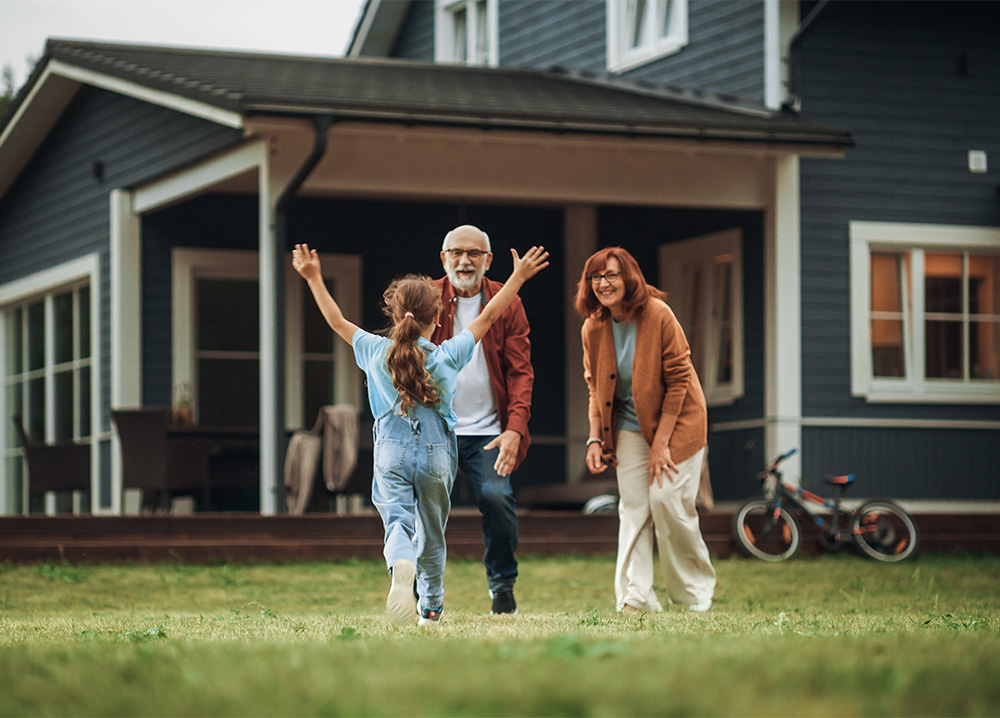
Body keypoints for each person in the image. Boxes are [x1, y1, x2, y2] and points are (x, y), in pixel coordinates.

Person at [292, 242, 548, 626]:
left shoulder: (374, 350)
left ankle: (400, 563)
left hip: (391, 452)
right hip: (436, 455)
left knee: (397, 521)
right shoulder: (447, 355)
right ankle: (430, 608)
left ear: (394, 314)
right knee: (432, 532)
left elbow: (336, 320)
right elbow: (491, 314)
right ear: (439, 315)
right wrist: (519, 277)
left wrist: (313, 277)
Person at [575, 247, 716, 614]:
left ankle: (693, 592)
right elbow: (595, 387)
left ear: (629, 277)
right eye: (596, 277)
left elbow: (680, 379)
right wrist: (594, 437)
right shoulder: (593, 327)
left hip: (681, 421)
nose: (603, 284)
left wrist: (662, 445)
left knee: (668, 501)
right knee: (634, 507)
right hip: (629, 426)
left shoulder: (657, 314)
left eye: (611, 275)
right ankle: (637, 595)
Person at [431, 225, 533, 615]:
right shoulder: (428, 297)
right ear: (444, 258)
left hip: (489, 431)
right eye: (455, 252)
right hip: (437, 429)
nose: (464, 260)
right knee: (425, 507)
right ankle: (423, 591)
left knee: (497, 497)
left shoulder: (507, 303)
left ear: (488, 260)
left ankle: (502, 585)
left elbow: (521, 372)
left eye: (474, 253)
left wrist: (514, 429)